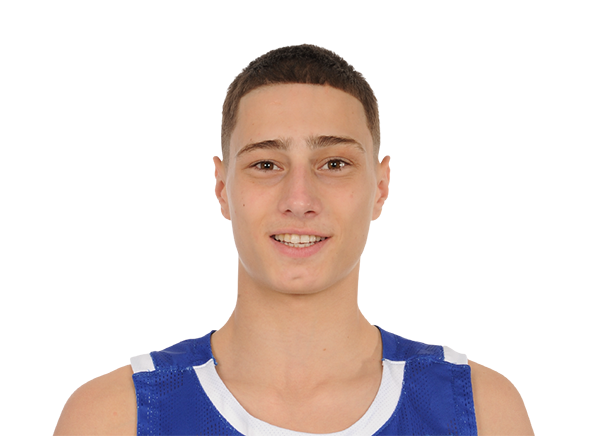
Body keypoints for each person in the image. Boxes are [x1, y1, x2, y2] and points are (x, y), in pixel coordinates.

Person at [55, 44, 533, 435]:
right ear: (222, 187)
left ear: (381, 185)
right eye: (266, 164)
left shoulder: (480, 411)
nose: (299, 199)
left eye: (335, 163)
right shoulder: (114, 416)